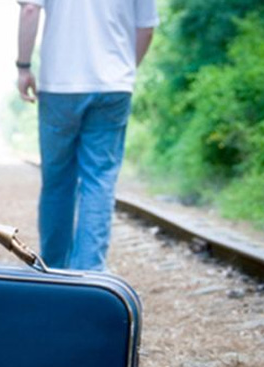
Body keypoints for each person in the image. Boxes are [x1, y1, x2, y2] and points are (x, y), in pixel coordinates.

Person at [16, 0, 159, 271]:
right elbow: (146, 28)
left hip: (59, 85)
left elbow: (30, 9)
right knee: (99, 179)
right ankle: (89, 273)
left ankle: (54, 269)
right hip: (114, 86)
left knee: (57, 180)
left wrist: (23, 67)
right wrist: (124, 69)